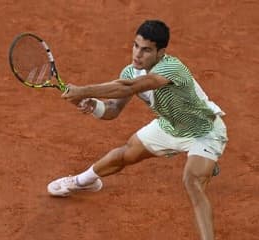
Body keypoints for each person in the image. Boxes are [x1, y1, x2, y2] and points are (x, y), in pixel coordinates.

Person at [47, 20, 228, 240]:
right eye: (135, 46)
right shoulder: (130, 72)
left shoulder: (172, 68)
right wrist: (89, 104)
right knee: (127, 153)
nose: (137, 54)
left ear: (161, 52)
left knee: (192, 181)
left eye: (146, 50)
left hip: (204, 131)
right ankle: (83, 181)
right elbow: (112, 111)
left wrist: (83, 90)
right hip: (169, 126)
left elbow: (130, 87)